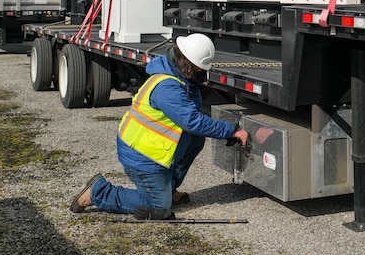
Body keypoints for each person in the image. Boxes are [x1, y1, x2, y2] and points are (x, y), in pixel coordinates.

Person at [69, 33, 248, 219]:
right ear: (187, 64)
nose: (202, 73)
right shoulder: (167, 87)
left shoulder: (180, 77)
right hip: (140, 155)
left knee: (195, 138)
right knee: (158, 208)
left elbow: (191, 123)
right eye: (199, 69)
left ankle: (167, 189)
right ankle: (97, 192)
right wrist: (231, 129)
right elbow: (192, 121)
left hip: (150, 150)